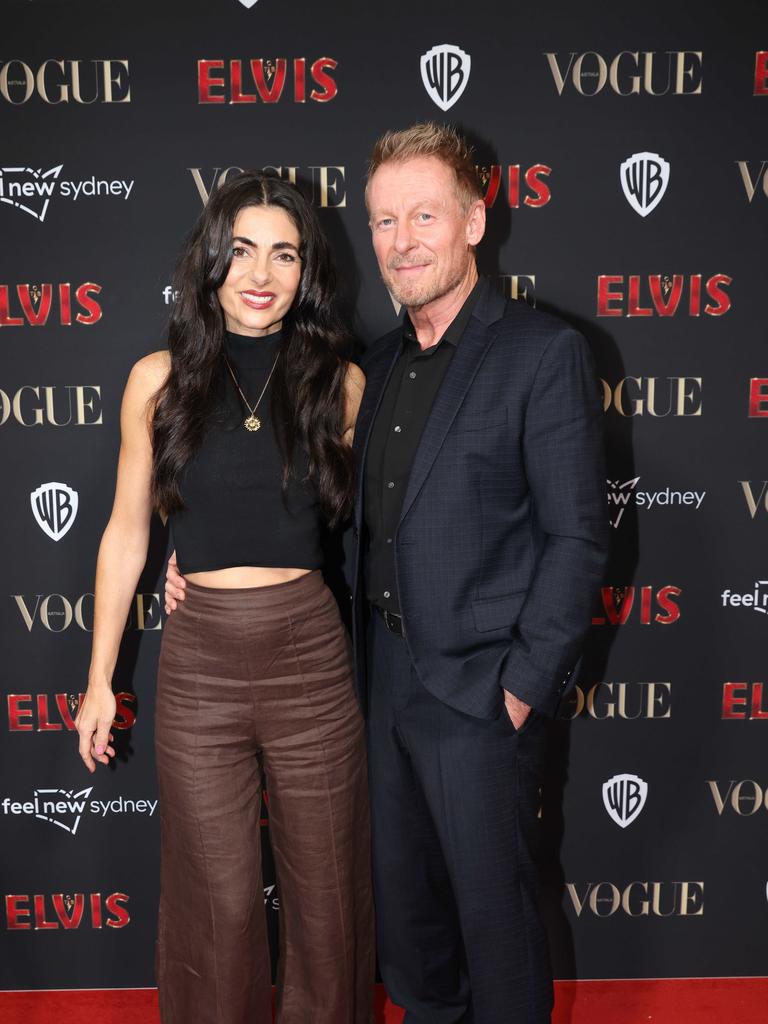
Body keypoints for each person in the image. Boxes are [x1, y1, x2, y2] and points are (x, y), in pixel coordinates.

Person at [168, 124, 608, 1024]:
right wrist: (193, 552)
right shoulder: (368, 366)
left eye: (423, 215)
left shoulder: (540, 353)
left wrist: (521, 688)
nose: (401, 241)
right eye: (382, 221)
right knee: (410, 941)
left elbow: (578, 540)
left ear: (476, 221)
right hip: (373, 688)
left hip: (481, 697)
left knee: (498, 929)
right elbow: (295, 504)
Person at [75, 170, 374, 1024]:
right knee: (221, 902)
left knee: (327, 901)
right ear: (210, 260)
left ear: (306, 271)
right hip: (199, 661)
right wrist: (101, 680)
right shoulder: (157, 380)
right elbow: (127, 534)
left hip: (310, 657)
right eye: (242, 249)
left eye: (284, 254)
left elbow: (372, 534)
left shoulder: (341, 385)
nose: (261, 272)